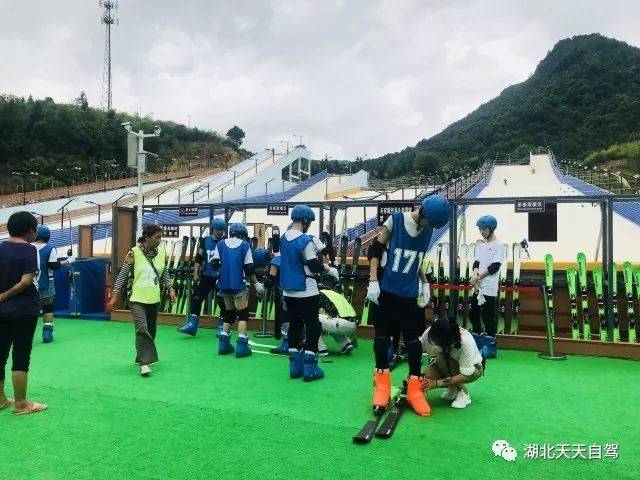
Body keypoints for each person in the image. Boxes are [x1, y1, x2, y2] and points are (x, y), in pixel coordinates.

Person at [366, 195, 450, 416]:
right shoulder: (396, 220)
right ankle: (382, 386)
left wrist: (425, 282)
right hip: (386, 290)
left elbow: (415, 259)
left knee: (414, 343)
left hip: (409, 293)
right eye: (429, 222)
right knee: (382, 339)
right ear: (422, 212)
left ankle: (415, 389)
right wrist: (373, 280)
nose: (430, 227)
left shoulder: (428, 230)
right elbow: (375, 250)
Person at [279, 205, 339, 382]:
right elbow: (312, 264)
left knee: (295, 324)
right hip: (306, 289)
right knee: (313, 325)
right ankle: (310, 367)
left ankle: (294, 366)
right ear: (305, 220)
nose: (309, 225)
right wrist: (328, 269)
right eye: (309, 222)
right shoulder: (305, 240)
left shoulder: (283, 238)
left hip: (288, 290)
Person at [110, 224, 176, 376]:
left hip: (154, 298)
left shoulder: (161, 253)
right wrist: (115, 295)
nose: (159, 240)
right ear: (146, 237)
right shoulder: (133, 252)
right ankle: (144, 363)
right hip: (137, 298)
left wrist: (170, 288)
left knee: (151, 331)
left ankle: (140, 356)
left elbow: (164, 272)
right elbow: (122, 275)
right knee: (142, 328)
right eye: (156, 237)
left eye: (160, 237)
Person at [0, 211, 47, 415]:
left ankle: (1, 399)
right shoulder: (30, 250)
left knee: (0, 354)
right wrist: (4, 296)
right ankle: (21, 404)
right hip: (24, 310)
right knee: (21, 355)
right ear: (29, 231)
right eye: (35, 230)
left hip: (1, 311)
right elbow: (26, 282)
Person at [212, 223, 264, 357]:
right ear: (243, 235)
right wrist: (256, 284)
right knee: (243, 314)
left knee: (229, 313)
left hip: (224, 284)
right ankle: (241, 347)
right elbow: (249, 268)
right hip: (239, 284)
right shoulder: (245, 246)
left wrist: (220, 274)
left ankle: (223, 345)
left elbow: (214, 263)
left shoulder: (221, 244)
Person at [177, 218, 227, 337]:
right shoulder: (205, 240)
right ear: (213, 229)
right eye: (218, 229)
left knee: (223, 302)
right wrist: (196, 273)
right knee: (197, 298)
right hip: (206, 275)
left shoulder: (225, 242)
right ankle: (192, 325)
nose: (220, 232)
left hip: (221, 277)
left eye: (222, 230)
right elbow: (199, 257)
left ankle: (222, 327)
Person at [419, 319, 484, 409]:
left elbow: (465, 375)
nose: (432, 342)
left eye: (436, 341)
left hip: (474, 370)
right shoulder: (432, 331)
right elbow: (417, 349)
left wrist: (437, 383)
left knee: (441, 357)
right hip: (444, 364)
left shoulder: (466, 341)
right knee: (426, 378)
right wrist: (413, 375)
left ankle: (464, 393)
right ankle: (453, 387)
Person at [469, 215, 503, 359]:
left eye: (484, 229)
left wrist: (478, 278)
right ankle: (477, 343)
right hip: (478, 287)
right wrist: (475, 277)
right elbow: (476, 263)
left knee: (487, 316)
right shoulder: (482, 246)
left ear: (492, 229)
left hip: (489, 287)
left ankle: (490, 347)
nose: (481, 232)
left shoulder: (498, 246)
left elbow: (494, 267)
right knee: (473, 314)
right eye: (480, 229)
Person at [33, 225, 72, 343]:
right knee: (48, 307)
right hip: (46, 283)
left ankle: (24, 334)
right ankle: (47, 334)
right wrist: (68, 261)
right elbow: (54, 265)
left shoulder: (27, 247)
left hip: (29, 283)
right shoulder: (50, 248)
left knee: (30, 308)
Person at [317, 288, 356, 356]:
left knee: (312, 319)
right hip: (353, 325)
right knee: (330, 325)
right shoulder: (336, 295)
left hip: (340, 323)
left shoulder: (320, 294)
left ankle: (321, 349)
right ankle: (346, 344)